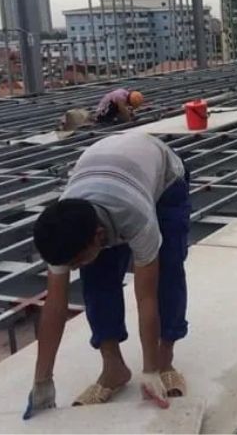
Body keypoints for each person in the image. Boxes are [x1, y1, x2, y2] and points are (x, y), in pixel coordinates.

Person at [24, 133, 191, 418]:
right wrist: (42, 379)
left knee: (168, 270)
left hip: (164, 178)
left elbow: (146, 296)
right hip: (105, 170)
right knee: (96, 281)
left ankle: (165, 360)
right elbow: (55, 304)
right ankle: (113, 368)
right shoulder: (62, 228)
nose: (72, 268)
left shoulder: (136, 217)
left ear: (99, 235)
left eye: (76, 261)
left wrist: (150, 369)